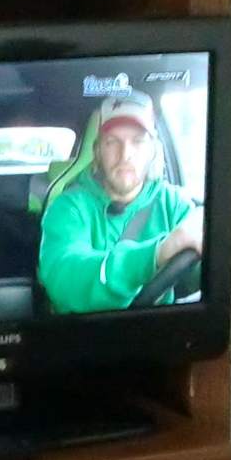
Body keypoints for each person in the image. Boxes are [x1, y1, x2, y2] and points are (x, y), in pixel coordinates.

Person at [37, 89, 204, 313]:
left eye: (138, 141)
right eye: (112, 142)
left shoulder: (174, 205)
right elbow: (65, 281)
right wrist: (155, 255)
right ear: (97, 151)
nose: (125, 154)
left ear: (153, 150)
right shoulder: (68, 208)